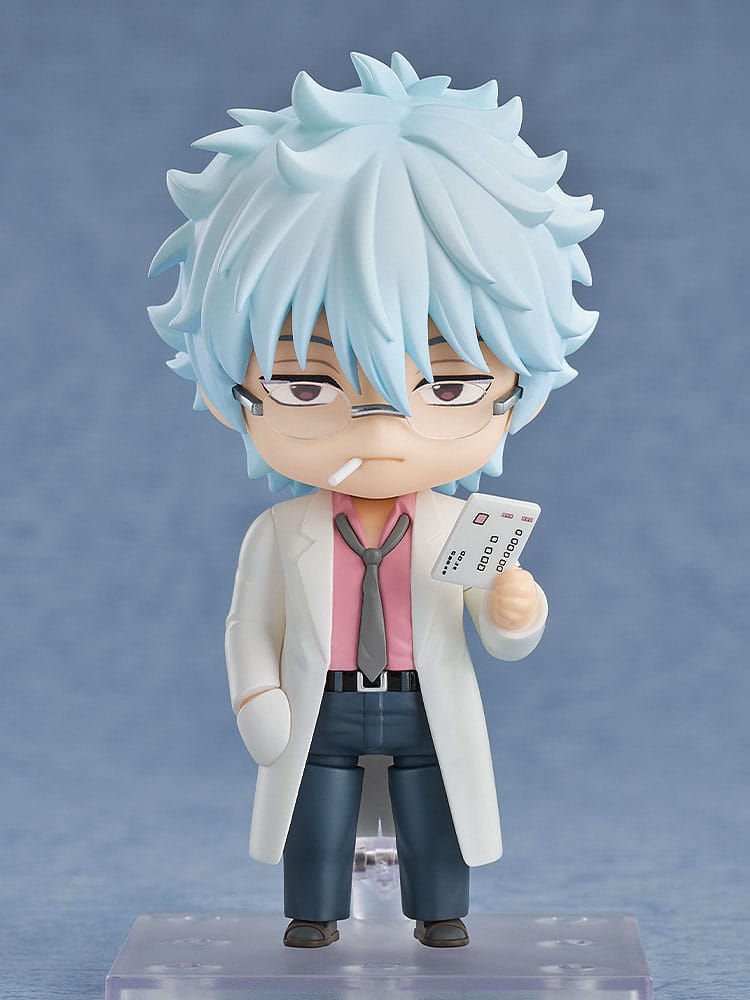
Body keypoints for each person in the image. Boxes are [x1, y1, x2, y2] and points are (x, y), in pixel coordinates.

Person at [149, 51, 602, 948]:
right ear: (229, 390)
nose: (387, 434)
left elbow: (496, 628)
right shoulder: (280, 530)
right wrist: (256, 697)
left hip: (423, 700)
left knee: (438, 812)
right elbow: (248, 625)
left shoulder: (465, 525)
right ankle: (312, 916)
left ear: (520, 387)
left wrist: (514, 610)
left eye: (449, 386)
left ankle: (441, 913)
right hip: (318, 705)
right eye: (307, 386)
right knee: (313, 817)